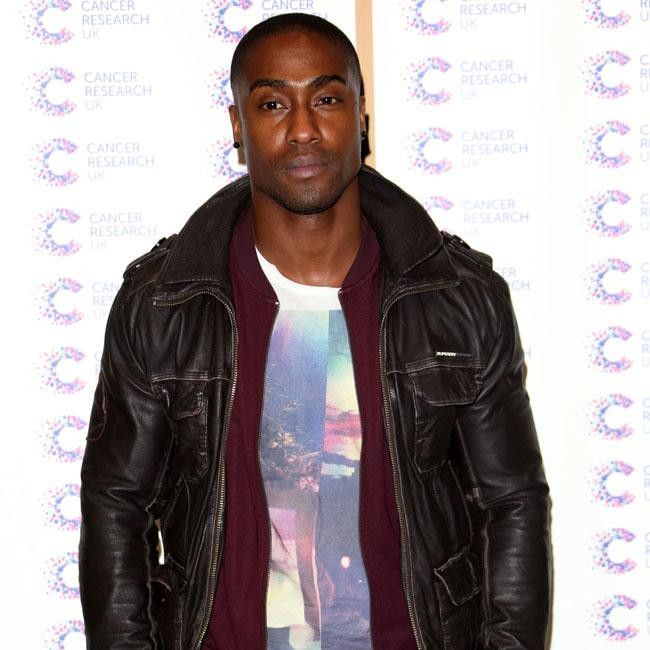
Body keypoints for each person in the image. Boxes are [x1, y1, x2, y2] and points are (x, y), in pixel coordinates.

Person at [79, 12, 551, 650]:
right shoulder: (164, 304)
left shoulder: (457, 298)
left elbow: (512, 502)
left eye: (326, 99)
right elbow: (116, 505)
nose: (303, 128)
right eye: (273, 103)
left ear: (361, 117)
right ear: (238, 127)